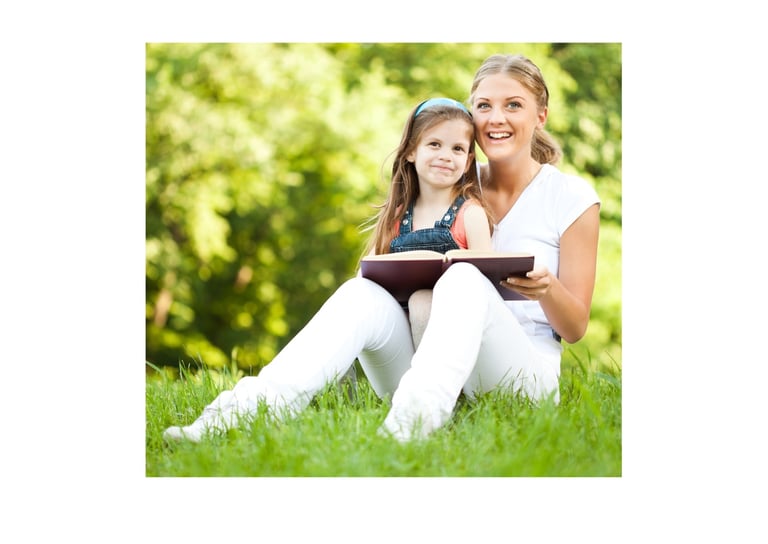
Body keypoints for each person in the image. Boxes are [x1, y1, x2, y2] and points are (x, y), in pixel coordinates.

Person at [163, 97, 494, 443]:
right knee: (356, 291)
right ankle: (244, 412)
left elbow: (484, 302)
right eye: (434, 144)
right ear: (411, 151)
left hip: (460, 369)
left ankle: (418, 423)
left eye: (458, 148)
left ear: (469, 160)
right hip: (405, 365)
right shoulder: (397, 218)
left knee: (448, 290)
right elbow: (370, 287)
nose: (446, 155)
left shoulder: (470, 214)